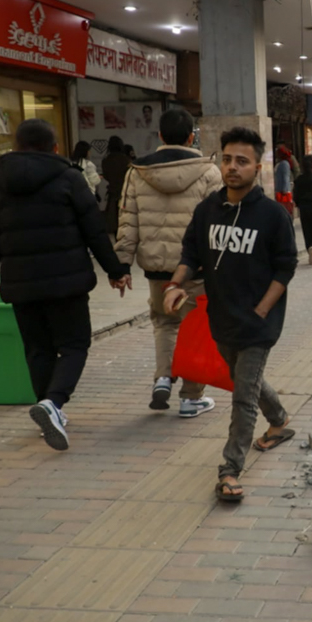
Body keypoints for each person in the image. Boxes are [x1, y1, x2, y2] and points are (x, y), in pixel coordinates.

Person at [0, 119, 131, 451]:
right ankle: (53, 404)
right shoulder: (69, 177)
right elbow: (94, 229)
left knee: (38, 349)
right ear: (55, 148)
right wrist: (115, 270)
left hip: (20, 283)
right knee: (74, 345)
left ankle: (49, 407)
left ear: (15, 146)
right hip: (67, 281)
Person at [164, 126, 298, 502]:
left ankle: (230, 470)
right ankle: (280, 420)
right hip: (221, 319)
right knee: (246, 380)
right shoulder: (208, 209)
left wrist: (262, 309)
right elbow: (190, 253)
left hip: (258, 324)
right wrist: (175, 285)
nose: (232, 167)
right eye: (227, 160)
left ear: (257, 166)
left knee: (242, 394)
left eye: (242, 161)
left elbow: (285, 267)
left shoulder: (273, 215)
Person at [114, 108, 223, 416]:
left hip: (157, 268)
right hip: (196, 269)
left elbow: (127, 220)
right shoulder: (208, 172)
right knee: (196, 329)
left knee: (164, 322)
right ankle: (191, 397)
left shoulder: (137, 172)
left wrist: (122, 266)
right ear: (192, 136)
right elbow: (217, 226)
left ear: (160, 136)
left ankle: (163, 377)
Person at [102, 135, 132, 234]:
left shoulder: (106, 161)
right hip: (125, 193)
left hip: (112, 194)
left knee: (113, 223)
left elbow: (106, 176)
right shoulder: (126, 160)